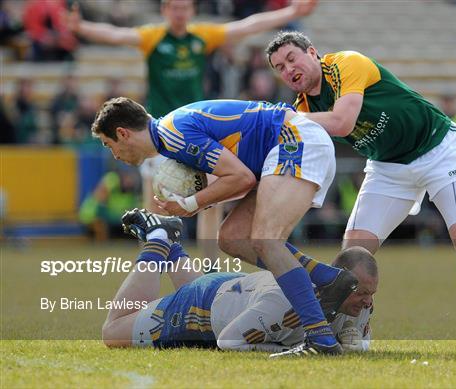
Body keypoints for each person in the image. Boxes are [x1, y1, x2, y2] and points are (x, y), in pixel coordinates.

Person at [264, 31, 456, 354]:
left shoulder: (345, 65)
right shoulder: (304, 108)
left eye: (292, 58)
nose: (288, 69)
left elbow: (342, 122)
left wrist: (284, 120)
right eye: (279, 67)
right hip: (387, 166)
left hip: (438, 148)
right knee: (352, 256)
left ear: (312, 52)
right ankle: (353, 329)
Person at [91, 96, 358, 357]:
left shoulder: (173, 133)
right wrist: (196, 202)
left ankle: (320, 338)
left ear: (122, 133)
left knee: (267, 241)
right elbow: (240, 175)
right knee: (231, 237)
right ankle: (328, 278)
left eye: (108, 144)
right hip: (283, 147)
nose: (114, 155)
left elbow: (240, 178)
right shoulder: (170, 134)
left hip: (293, 140)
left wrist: (191, 203)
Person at [66, 0, 317, 262]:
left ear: (192, 11)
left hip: (197, 134)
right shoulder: (153, 37)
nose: (179, 12)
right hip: (156, 136)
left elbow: (245, 26)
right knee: (156, 207)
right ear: (164, 11)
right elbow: (116, 35)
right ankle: (153, 267)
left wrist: (292, 12)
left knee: (211, 204)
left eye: (184, 7)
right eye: (174, 7)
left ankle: (209, 270)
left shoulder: (202, 36)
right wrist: (81, 26)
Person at [103, 208, 377, 354]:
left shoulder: (358, 301)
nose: (366, 301)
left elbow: (361, 341)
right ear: (342, 280)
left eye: (370, 293)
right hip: (201, 308)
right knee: (113, 331)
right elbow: (228, 341)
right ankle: (159, 239)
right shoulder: (281, 304)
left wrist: (357, 346)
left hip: (234, 291)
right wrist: (297, 346)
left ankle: (171, 243)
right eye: (361, 292)